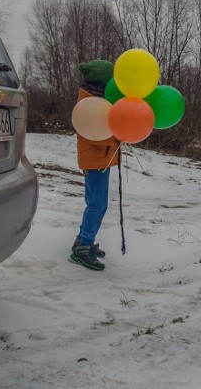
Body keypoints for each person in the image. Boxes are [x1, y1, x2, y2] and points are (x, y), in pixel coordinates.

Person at [70, 59, 120, 271]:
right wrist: (118, 136)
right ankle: (83, 247)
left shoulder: (95, 100)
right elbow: (95, 136)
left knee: (95, 203)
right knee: (98, 204)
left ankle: (83, 239)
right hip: (96, 158)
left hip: (100, 157)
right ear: (102, 81)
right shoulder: (89, 104)